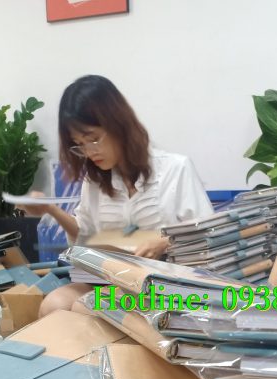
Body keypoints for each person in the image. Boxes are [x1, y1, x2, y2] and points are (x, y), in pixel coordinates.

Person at [21, 75, 214, 316]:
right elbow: (84, 237)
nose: (89, 152)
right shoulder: (94, 181)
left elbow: (209, 237)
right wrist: (51, 209)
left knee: (86, 307)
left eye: (93, 139)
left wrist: (164, 241)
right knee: (54, 304)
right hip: (112, 282)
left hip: (166, 285)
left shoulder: (175, 169)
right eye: (79, 144)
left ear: (118, 124)